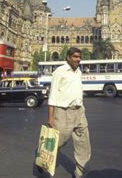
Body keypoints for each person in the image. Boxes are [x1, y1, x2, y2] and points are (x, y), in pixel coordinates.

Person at [46, 47, 91, 178]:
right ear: (68, 57)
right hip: (63, 112)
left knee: (83, 142)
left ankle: (80, 170)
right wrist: (50, 117)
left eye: (79, 57)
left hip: (79, 111)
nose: (78, 59)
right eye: (75, 57)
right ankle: (44, 158)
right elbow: (53, 95)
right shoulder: (60, 72)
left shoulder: (78, 72)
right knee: (58, 141)